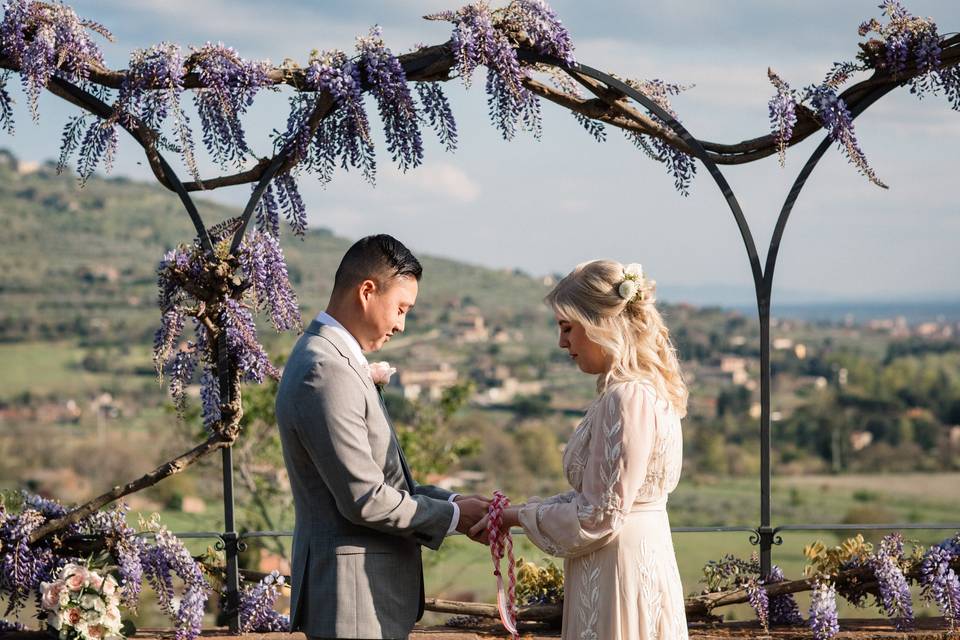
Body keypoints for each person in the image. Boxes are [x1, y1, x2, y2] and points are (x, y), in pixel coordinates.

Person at [275, 234, 490, 640]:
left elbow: (388, 483)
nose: (400, 324)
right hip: (353, 601)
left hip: (364, 596)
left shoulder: (332, 361)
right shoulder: (326, 371)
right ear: (367, 291)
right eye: (400, 308)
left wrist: (455, 501)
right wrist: (456, 519)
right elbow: (366, 499)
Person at [472, 259, 690, 639]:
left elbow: (597, 517)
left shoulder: (626, 398)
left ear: (599, 324)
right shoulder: (643, 390)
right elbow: (598, 496)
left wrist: (518, 518)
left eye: (567, 328)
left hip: (619, 569)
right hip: (633, 555)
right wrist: (515, 511)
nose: (562, 343)